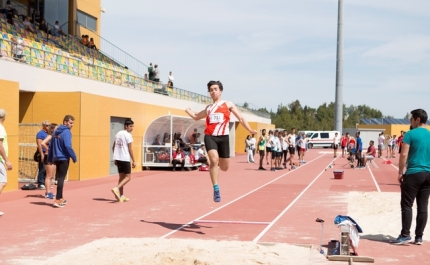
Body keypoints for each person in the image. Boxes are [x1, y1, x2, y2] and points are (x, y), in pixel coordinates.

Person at [185, 80, 257, 202]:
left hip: (223, 138)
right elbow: (197, 117)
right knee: (213, 160)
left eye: (215, 89)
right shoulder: (209, 108)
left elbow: (240, 117)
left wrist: (249, 129)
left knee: (224, 167)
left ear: (220, 91)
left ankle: (217, 171)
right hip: (210, 136)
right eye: (211, 90)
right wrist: (188, 110)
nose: (213, 91)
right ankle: (216, 188)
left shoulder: (228, 104)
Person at [392, 109, 430, 245]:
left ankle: (405, 234)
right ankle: (419, 237)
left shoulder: (410, 134)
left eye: (411, 119)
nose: (410, 121)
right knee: (423, 206)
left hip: (414, 173)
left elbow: (403, 155)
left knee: (407, 205)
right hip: (428, 174)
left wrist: (401, 172)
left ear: (417, 119)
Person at [48, 115, 77, 208]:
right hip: (64, 158)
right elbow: (68, 146)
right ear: (65, 122)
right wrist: (74, 156)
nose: (72, 125)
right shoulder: (66, 132)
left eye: (73, 123)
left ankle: (60, 198)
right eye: (70, 123)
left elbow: (51, 145)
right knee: (61, 178)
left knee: (60, 177)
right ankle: (57, 200)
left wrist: (50, 158)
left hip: (56, 158)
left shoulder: (56, 131)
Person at [111, 119, 136, 202]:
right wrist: (134, 160)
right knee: (128, 177)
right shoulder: (128, 135)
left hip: (118, 159)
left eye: (132, 126)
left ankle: (121, 196)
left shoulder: (118, 133)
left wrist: (115, 158)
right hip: (124, 158)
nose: (132, 128)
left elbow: (113, 147)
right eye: (131, 126)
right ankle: (116, 188)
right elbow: (130, 149)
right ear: (126, 126)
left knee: (121, 178)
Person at [41, 123, 58, 199]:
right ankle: (47, 193)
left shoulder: (55, 137)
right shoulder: (50, 136)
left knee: (51, 176)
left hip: (53, 157)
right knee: (49, 176)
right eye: (56, 128)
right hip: (48, 157)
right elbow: (42, 143)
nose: (58, 130)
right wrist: (48, 149)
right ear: (52, 129)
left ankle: (49, 192)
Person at [0, 109, 12, 216]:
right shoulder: (1, 128)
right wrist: (7, 160)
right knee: (2, 182)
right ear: (4, 117)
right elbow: (0, 145)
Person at [36, 120, 50, 190]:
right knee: (42, 168)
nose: (48, 127)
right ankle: (40, 183)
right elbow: (39, 144)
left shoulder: (49, 133)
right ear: (43, 126)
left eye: (49, 125)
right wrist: (41, 154)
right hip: (43, 152)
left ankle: (45, 182)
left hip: (48, 152)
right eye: (47, 125)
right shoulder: (40, 133)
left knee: (47, 168)